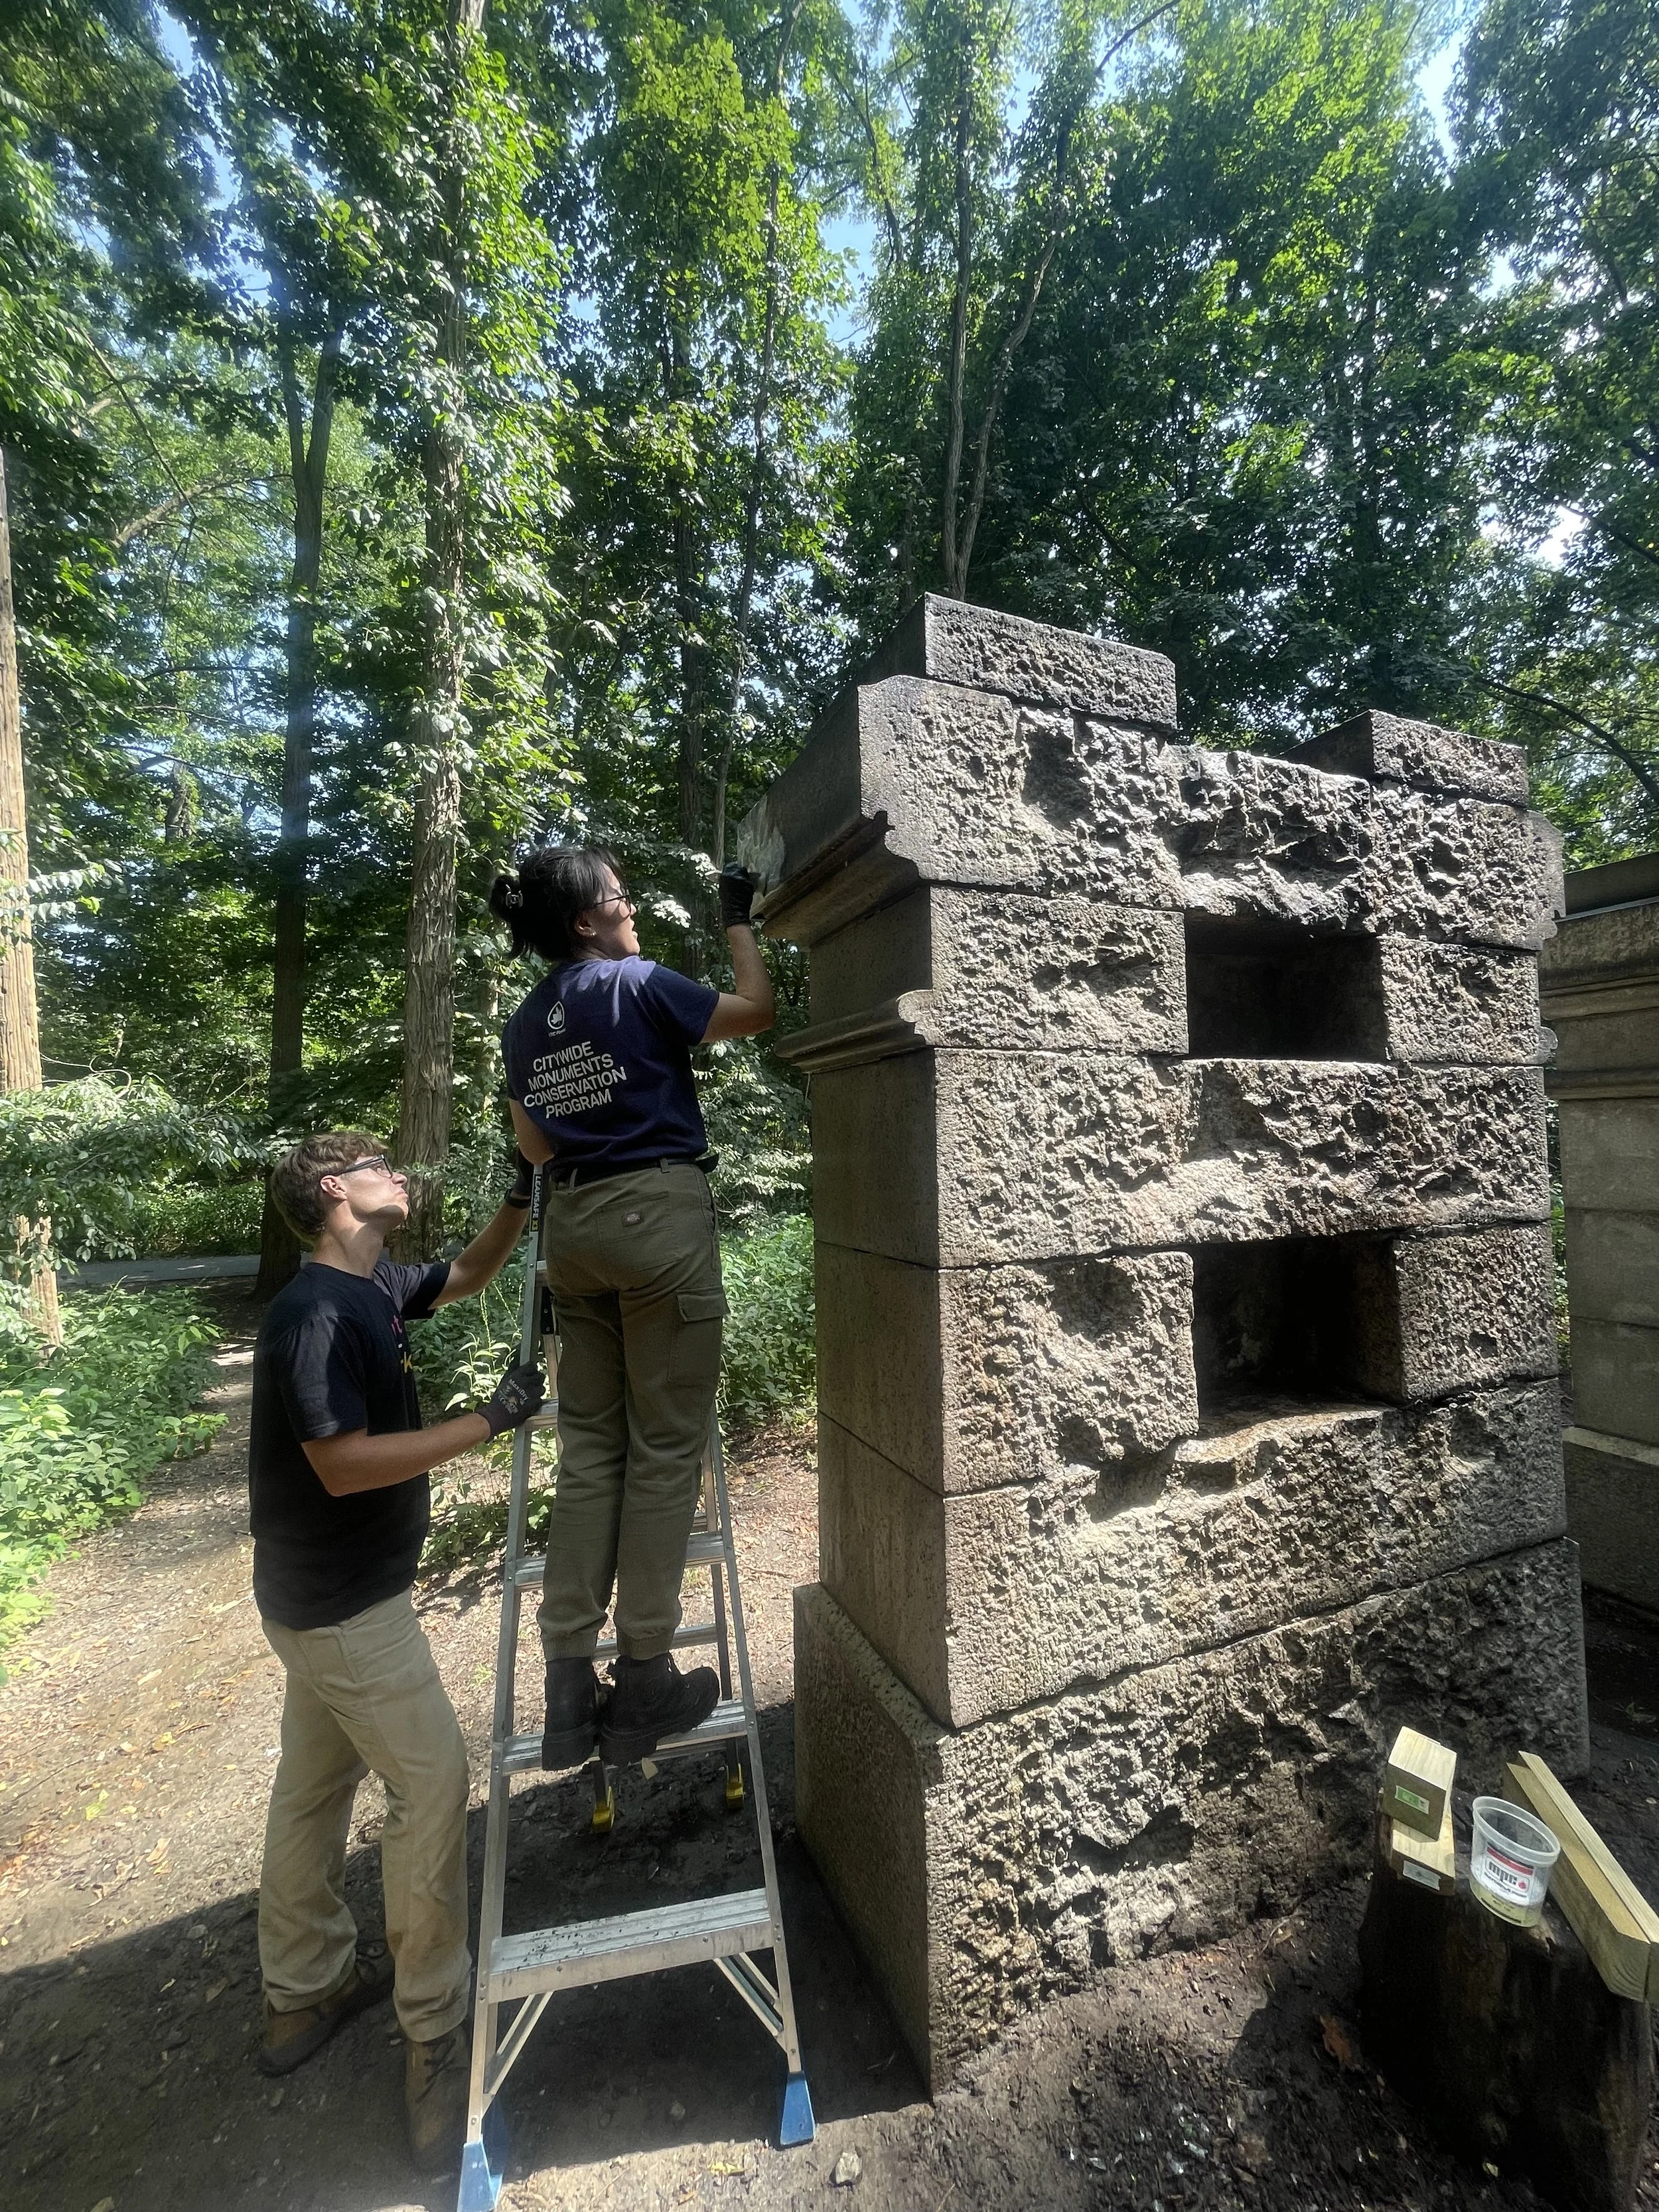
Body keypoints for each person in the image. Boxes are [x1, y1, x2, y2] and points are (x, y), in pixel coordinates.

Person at [248, 1134, 545, 2174]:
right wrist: (486, 1422)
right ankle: (432, 2033)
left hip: (313, 1605)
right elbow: (339, 1466)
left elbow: (466, 1275)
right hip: (343, 1611)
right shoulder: (315, 1314)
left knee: (315, 1786)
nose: (401, 1172)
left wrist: (524, 1189)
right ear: (337, 1191)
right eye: (380, 1162)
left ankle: (303, 1989)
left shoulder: (371, 1288)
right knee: (432, 1779)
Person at [490, 847, 772, 1771]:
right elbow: (756, 1014)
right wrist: (738, 920)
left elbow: (532, 1144)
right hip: (656, 1220)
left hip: (571, 1231)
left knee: (591, 1452)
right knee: (662, 1452)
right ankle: (646, 1674)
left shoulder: (527, 1021)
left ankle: (570, 1687)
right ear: (586, 922)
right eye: (618, 896)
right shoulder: (638, 982)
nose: (632, 905)